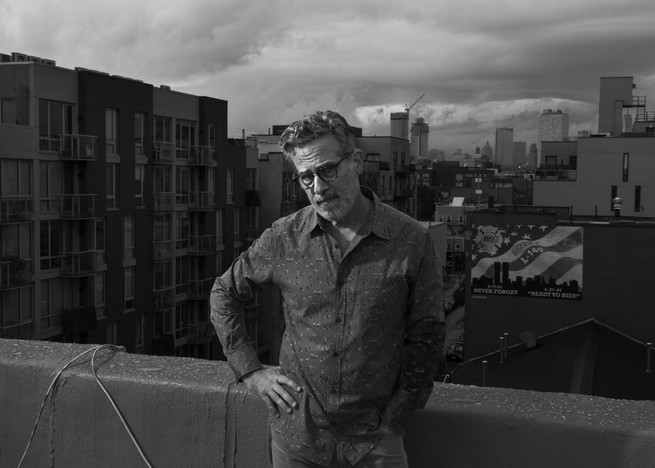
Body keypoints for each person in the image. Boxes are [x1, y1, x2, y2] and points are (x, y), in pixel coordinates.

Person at [210, 110, 445, 467]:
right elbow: (224, 293)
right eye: (306, 177)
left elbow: (428, 331)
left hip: (375, 442)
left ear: (356, 162)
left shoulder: (410, 240)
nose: (318, 188)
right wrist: (251, 371)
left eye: (327, 170)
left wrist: (404, 407)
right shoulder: (283, 238)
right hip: (297, 440)